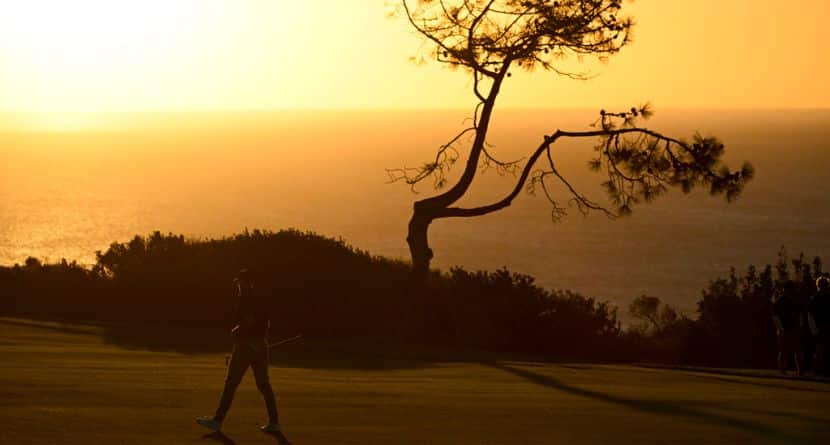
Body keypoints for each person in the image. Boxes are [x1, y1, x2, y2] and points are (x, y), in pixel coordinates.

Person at [196, 269, 281, 433]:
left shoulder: (245, 298)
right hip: (261, 345)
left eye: (239, 282)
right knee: (264, 385)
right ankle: (274, 422)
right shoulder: (261, 299)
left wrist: (236, 329)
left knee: (231, 384)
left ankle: (217, 421)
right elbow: (265, 323)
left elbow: (249, 320)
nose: (238, 285)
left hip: (245, 345)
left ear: (245, 282)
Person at [772, 280, 804, 375]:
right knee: (783, 351)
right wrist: (781, 329)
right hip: (784, 330)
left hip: (794, 329)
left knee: (797, 351)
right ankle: (783, 370)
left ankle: (799, 371)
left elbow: (800, 315)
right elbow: (775, 317)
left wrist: (800, 326)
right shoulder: (779, 301)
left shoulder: (795, 301)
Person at [808, 276, 830, 375]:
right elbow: (810, 316)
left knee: (821, 350)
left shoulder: (816, 298)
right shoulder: (814, 299)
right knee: (819, 350)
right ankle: (816, 370)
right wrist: (814, 330)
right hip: (819, 328)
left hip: (825, 328)